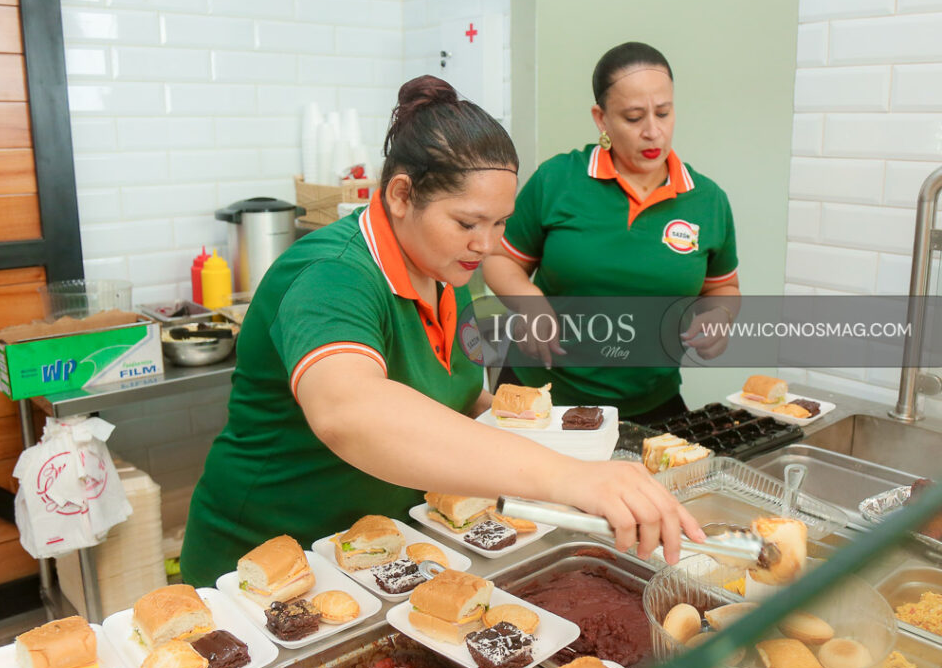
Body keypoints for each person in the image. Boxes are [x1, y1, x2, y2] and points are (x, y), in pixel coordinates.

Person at [180, 75, 704, 587]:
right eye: (468, 223)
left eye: (499, 223)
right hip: (266, 567)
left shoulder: (445, 270)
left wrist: (564, 453)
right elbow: (348, 411)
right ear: (401, 195)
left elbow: (461, 399)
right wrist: (566, 477)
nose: (487, 245)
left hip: (380, 557)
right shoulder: (331, 274)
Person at [483, 42, 741, 424]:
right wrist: (529, 301)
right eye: (634, 117)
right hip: (543, 398)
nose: (653, 131)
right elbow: (499, 258)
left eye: (663, 113)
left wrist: (720, 316)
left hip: (651, 405)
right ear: (601, 119)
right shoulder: (557, 179)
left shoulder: (707, 200)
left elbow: (724, 288)